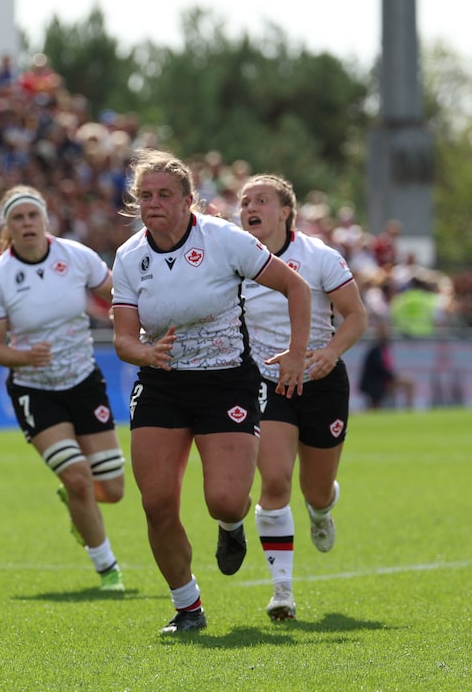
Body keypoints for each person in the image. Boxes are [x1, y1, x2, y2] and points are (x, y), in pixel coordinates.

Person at [110, 149, 311, 635]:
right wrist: (144, 354)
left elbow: (297, 288)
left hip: (226, 381)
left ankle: (230, 525)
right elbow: (123, 339)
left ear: (188, 201)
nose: (153, 203)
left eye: (164, 195)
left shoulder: (223, 239)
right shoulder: (130, 256)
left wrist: (295, 352)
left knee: (224, 500)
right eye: (145, 195)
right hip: (162, 383)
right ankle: (187, 607)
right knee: (157, 503)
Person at [0, 185, 128, 592]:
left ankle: (75, 501)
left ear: (46, 219)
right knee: (78, 478)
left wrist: (131, 324)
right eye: (18, 218)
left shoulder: (76, 256)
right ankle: (108, 571)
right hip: (35, 390)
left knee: (112, 490)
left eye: (32, 215)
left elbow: (119, 297)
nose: (27, 223)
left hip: (84, 381)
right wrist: (24, 357)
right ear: (7, 227)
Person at [237, 174, 368, 621]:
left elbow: (355, 315)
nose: (250, 208)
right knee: (275, 481)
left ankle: (321, 509)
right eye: (244, 202)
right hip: (267, 382)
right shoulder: (234, 260)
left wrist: (330, 352)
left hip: (321, 380)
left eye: (260, 200)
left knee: (316, 490)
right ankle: (282, 591)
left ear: (285, 211)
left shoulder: (318, 256)